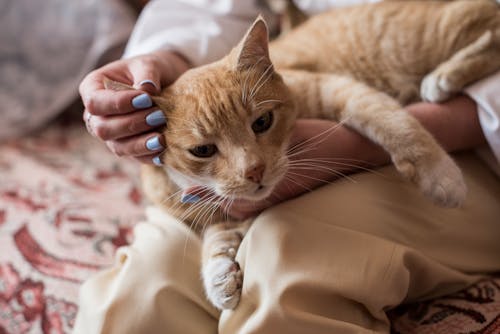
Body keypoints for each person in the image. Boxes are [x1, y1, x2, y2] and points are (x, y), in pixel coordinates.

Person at [74, 1, 500, 333]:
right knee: (136, 300)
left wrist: (354, 147)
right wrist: (164, 59)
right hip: (273, 136)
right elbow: (209, 8)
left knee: (285, 272)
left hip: (471, 139)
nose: (249, 168)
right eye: (204, 150)